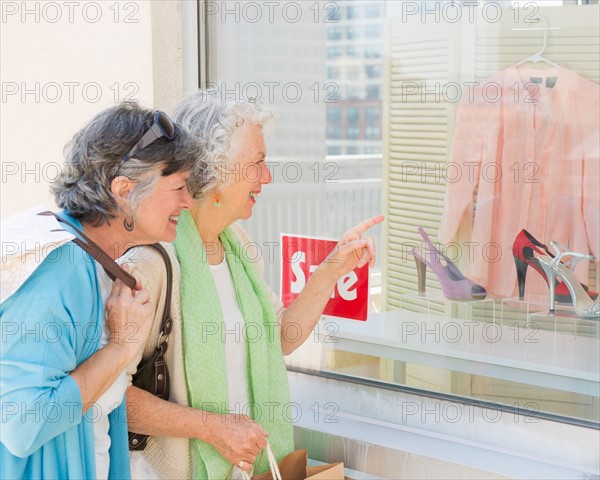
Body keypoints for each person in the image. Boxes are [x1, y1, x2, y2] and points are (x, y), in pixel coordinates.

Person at [123, 91, 384, 479]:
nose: (267, 176)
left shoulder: (240, 246)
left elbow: (280, 337)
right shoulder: (151, 264)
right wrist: (212, 428)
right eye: (258, 163)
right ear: (215, 171)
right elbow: (113, 396)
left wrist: (330, 271)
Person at [0, 102, 207, 480]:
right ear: (124, 190)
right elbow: (23, 425)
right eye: (177, 186)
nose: (187, 202)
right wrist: (121, 348)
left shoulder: (98, 262)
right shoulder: (58, 270)